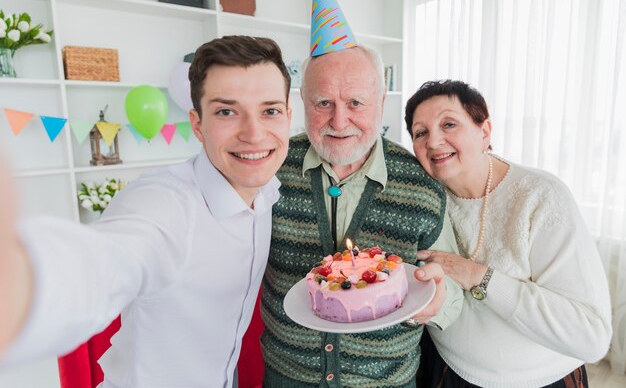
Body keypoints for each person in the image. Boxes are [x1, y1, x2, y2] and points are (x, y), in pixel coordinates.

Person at [0, 35, 292, 388]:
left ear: (288, 117)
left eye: (270, 110)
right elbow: (100, 264)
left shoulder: (268, 189)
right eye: (227, 111)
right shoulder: (164, 204)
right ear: (198, 124)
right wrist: (21, 285)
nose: (254, 134)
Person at [259, 45, 464, 388]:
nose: (339, 121)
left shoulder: (422, 186)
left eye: (355, 103)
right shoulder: (269, 167)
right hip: (287, 376)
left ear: (382, 102)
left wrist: (436, 302)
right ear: (302, 103)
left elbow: (452, 293)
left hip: (386, 382)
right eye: (323, 103)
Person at [406, 79, 612, 388]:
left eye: (449, 124)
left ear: (485, 131)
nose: (434, 141)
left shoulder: (541, 196)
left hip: (541, 381)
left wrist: (476, 275)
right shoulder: (422, 196)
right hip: (448, 373)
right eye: (421, 132)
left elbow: (591, 335)